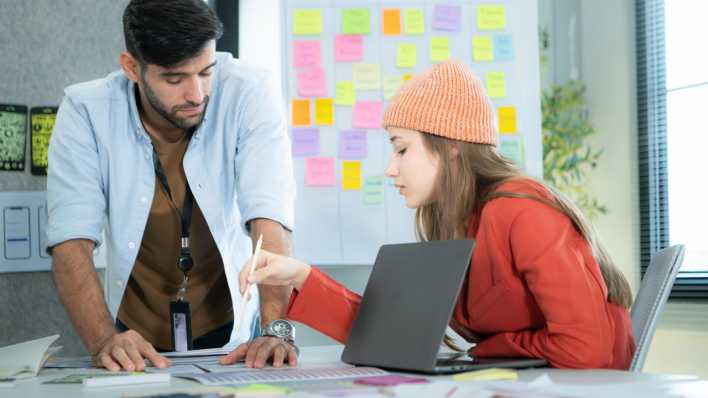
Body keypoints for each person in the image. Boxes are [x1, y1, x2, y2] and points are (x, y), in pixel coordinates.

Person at [223, 61, 636, 369]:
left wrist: (490, 349)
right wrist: (299, 275)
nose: (390, 167)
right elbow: (397, 335)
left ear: (452, 146)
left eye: (402, 148)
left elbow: (589, 349)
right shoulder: (453, 219)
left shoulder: (523, 211)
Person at [47, 0, 298, 372]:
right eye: (175, 79)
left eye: (206, 72)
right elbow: (70, 241)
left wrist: (276, 329)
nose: (196, 94)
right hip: (134, 339)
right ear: (132, 67)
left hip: (231, 332)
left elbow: (269, 218)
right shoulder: (87, 111)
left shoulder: (249, 91)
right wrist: (103, 340)